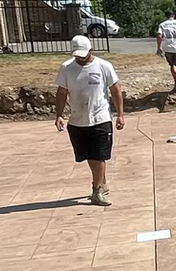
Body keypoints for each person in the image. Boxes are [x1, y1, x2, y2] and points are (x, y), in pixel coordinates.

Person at [53, 34, 124, 205]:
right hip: (78, 120)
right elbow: (62, 93)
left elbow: (115, 91)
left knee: (99, 156)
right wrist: (59, 115)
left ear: (91, 50)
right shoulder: (66, 68)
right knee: (89, 156)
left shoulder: (103, 66)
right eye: (77, 55)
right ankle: (101, 183)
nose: (80, 58)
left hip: (100, 118)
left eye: (83, 54)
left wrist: (120, 114)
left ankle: (97, 190)